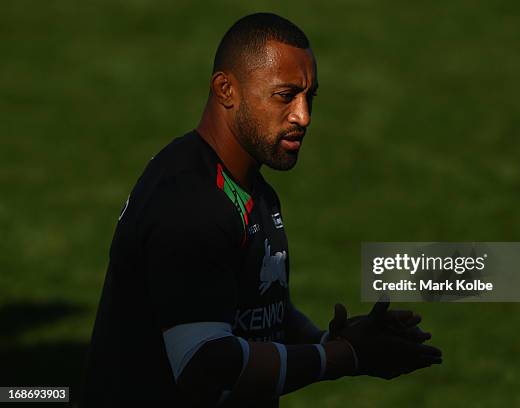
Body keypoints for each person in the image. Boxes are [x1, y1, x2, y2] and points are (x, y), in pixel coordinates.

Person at [82, 12, 442, 407]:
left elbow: (261, 309)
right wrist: (341, 358)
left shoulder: (255, 190)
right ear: (226, 90)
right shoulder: (189, 201)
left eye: (310, 97)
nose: (303, 117)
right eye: (285, 95)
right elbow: (203, 363)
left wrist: (330, 340)